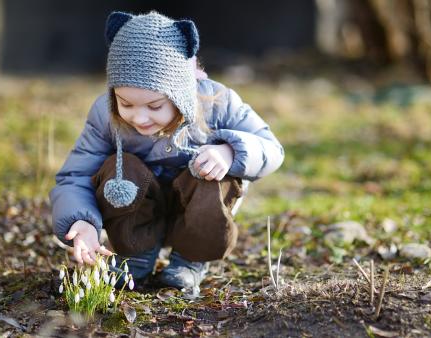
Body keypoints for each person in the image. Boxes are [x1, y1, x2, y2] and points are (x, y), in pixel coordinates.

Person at [49, 11, 284, 291]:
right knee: (117, 168)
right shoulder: (106, 114)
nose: (139, 118)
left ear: (180, 93)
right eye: (126, 103)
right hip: (138, 212)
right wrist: (81, 220)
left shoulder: (218, 103)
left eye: (154, 106)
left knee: (214, 172)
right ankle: (135, 254)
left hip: (196, 212)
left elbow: (272, 148)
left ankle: (190, 261)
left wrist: (231, 153)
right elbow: (75, 175)